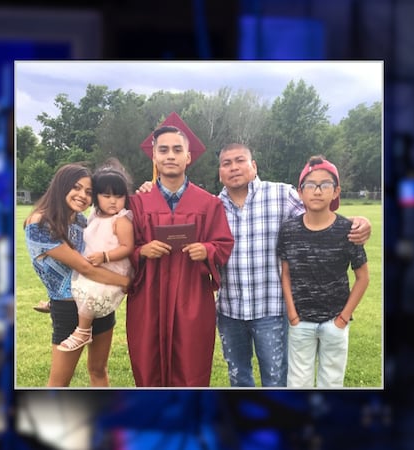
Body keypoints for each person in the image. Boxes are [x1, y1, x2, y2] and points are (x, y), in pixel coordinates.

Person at [137, 143, 372, 387]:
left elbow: (320, 213)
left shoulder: (281, 195)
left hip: (270, 309)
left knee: (275, 378)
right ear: (220, 173)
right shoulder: (212, 205)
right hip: (230, 310)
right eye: (226, 163)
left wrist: (358, 221)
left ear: (254, 166)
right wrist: (149, 188)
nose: (234, 168)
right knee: (239, 378)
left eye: (240, 160)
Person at [127, 124, 234, 387]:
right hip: (148, 297)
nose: (170, 156)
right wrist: (141, 251)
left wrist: (207, 249)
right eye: (163, 150)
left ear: (188, 157)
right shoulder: (137, 203)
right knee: (147, 363)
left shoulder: (209, 204)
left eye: (177, 149)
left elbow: (223, 244)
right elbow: (118, 246)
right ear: (154, 156)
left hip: (192, 296)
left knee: (191, 364)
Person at [24, 164, 130, 387]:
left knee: (99, 370)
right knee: (59, 382)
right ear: (60, 187)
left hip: (99, 301)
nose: (82, 195)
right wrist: (127, 283)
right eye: (76, 187)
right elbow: (85, 268)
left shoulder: (82, 221)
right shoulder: (39, 223)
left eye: (89, 192)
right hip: (68, 309)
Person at [277, 155, 369, 388]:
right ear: (300, 192)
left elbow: (362, 278)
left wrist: (343, 318)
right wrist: (292, 314)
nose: (317, 191)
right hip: (301, 322)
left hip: (334, 322)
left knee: (332, 381)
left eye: (325, 184)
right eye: (310, 185)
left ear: (336, 191)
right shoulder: (289, 230)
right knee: (298, 382)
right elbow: (285, 273)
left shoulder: (348, 230)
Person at [60, 165, 134, 352]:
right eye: (106, 196)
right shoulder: (93, 215)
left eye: (118, 197)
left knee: (92, 292)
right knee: (76, 278)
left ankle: (83, 331)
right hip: (93, 263)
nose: (113, 202)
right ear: (96, 197)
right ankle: (56, 304)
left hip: (112, 268)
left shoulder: (121, 220)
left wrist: (105, 256)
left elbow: (127, 247)